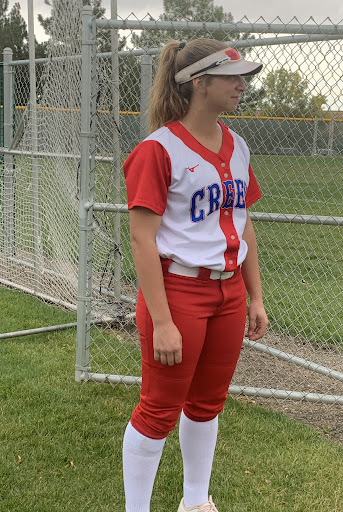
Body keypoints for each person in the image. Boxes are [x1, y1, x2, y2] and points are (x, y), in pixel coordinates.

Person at [122, 37, 269, 512]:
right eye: (232, 77)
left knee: (207, 403)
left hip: (226, 293)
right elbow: (143, 240)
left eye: (243, 75)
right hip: (177, 291)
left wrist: (255, 296)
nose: (241, 85)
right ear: (199, 83)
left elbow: (243, 222)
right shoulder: (157, 149)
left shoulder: (238, 145)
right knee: (159, 408)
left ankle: (194, 501)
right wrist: (162, 320)